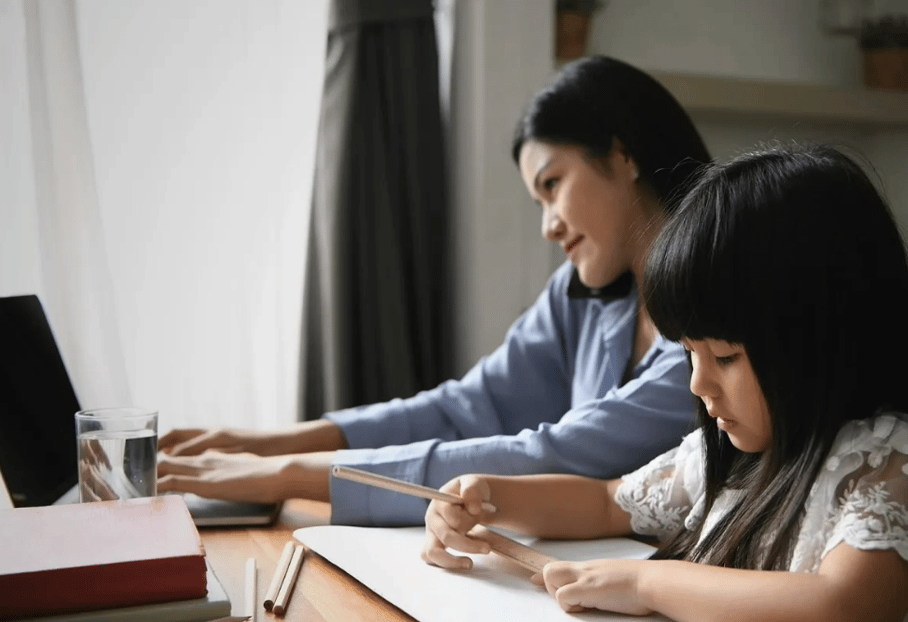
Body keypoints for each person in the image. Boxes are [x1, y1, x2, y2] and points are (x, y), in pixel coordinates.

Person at [421, 145, 908, 622]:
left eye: (725, 355)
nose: (699, 384)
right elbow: (608, 501)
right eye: (689, 352)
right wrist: (491, 497)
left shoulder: (899, 462)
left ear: (824, 336)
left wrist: (643, 584)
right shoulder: (736, 455)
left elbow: (839, 612)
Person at [156, 55, 713, 526]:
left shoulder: (718, 310)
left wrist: (291, 476)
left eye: (552, 185)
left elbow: (556, 457)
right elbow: (466, 409)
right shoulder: (581, 297)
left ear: (622, 154)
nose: (548, 226)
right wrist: (270, 442)